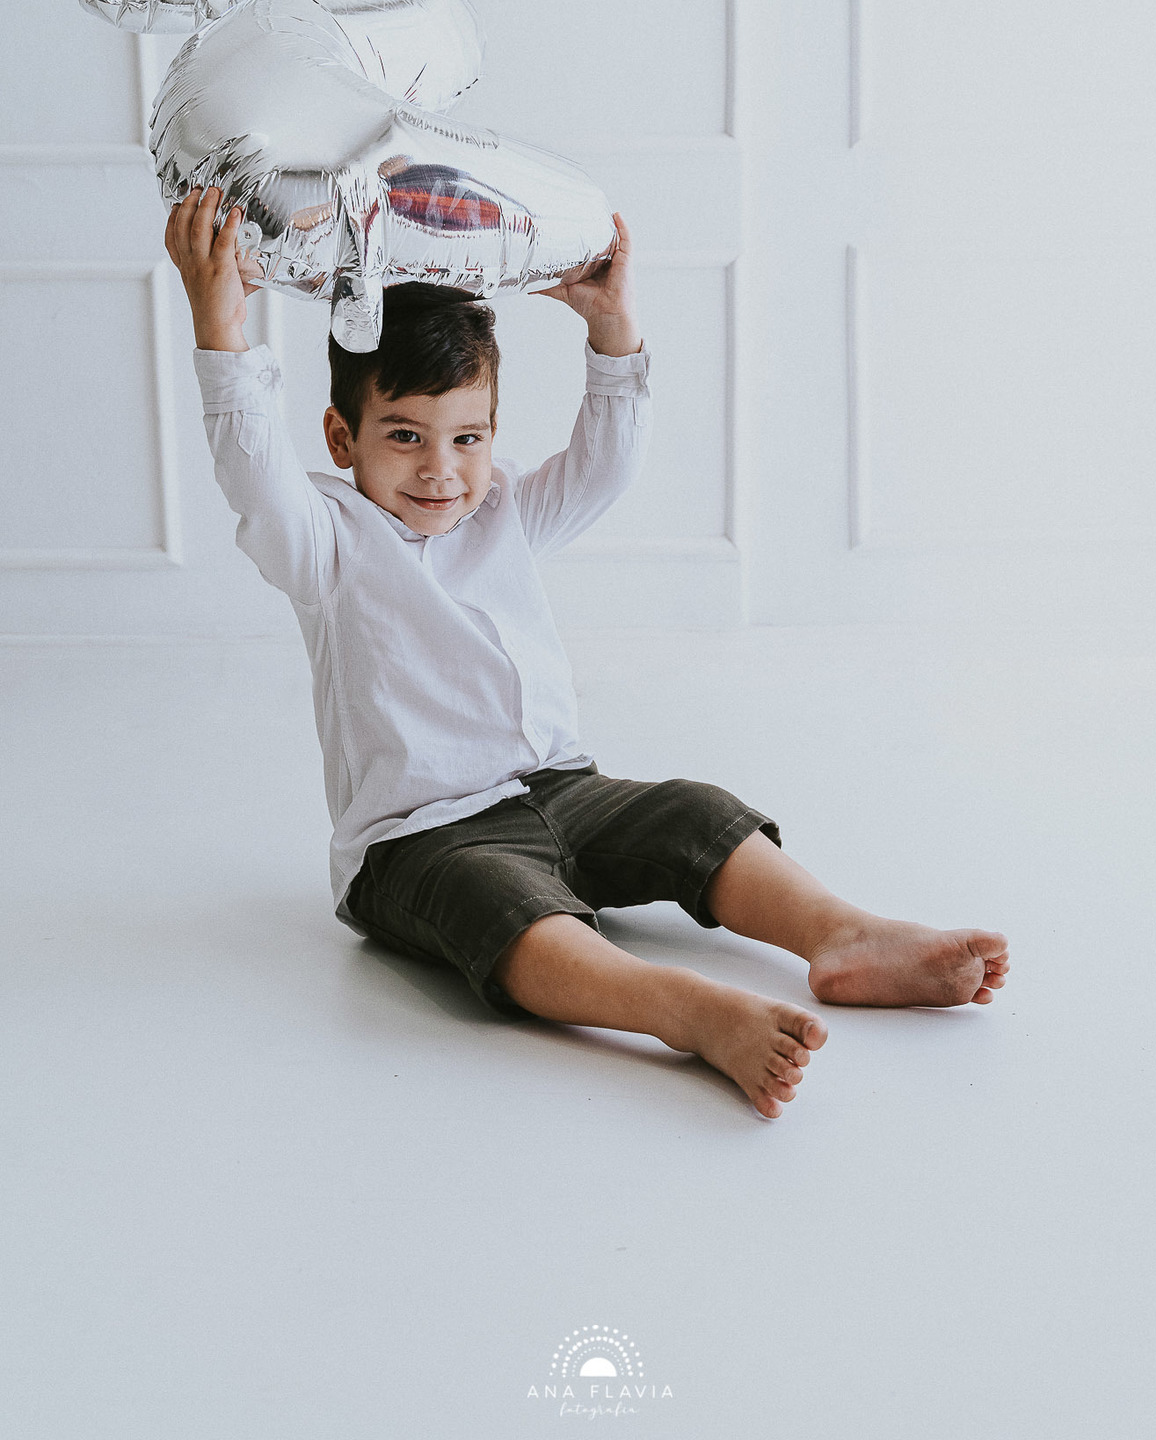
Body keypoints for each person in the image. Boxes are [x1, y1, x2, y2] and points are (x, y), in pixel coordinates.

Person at [166, 186, 1010, 1120]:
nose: (440, 470)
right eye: (404, 438)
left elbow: (605, 465)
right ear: (343, 437)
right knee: (497, 903)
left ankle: (842, 933)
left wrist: (610, 328)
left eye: (467, 438)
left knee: (696, 811)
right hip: (421, 839)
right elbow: (252, 473)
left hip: (563, 787)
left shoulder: (505, 510)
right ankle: (679, 1009)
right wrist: (222, 329)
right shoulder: (325, 542)